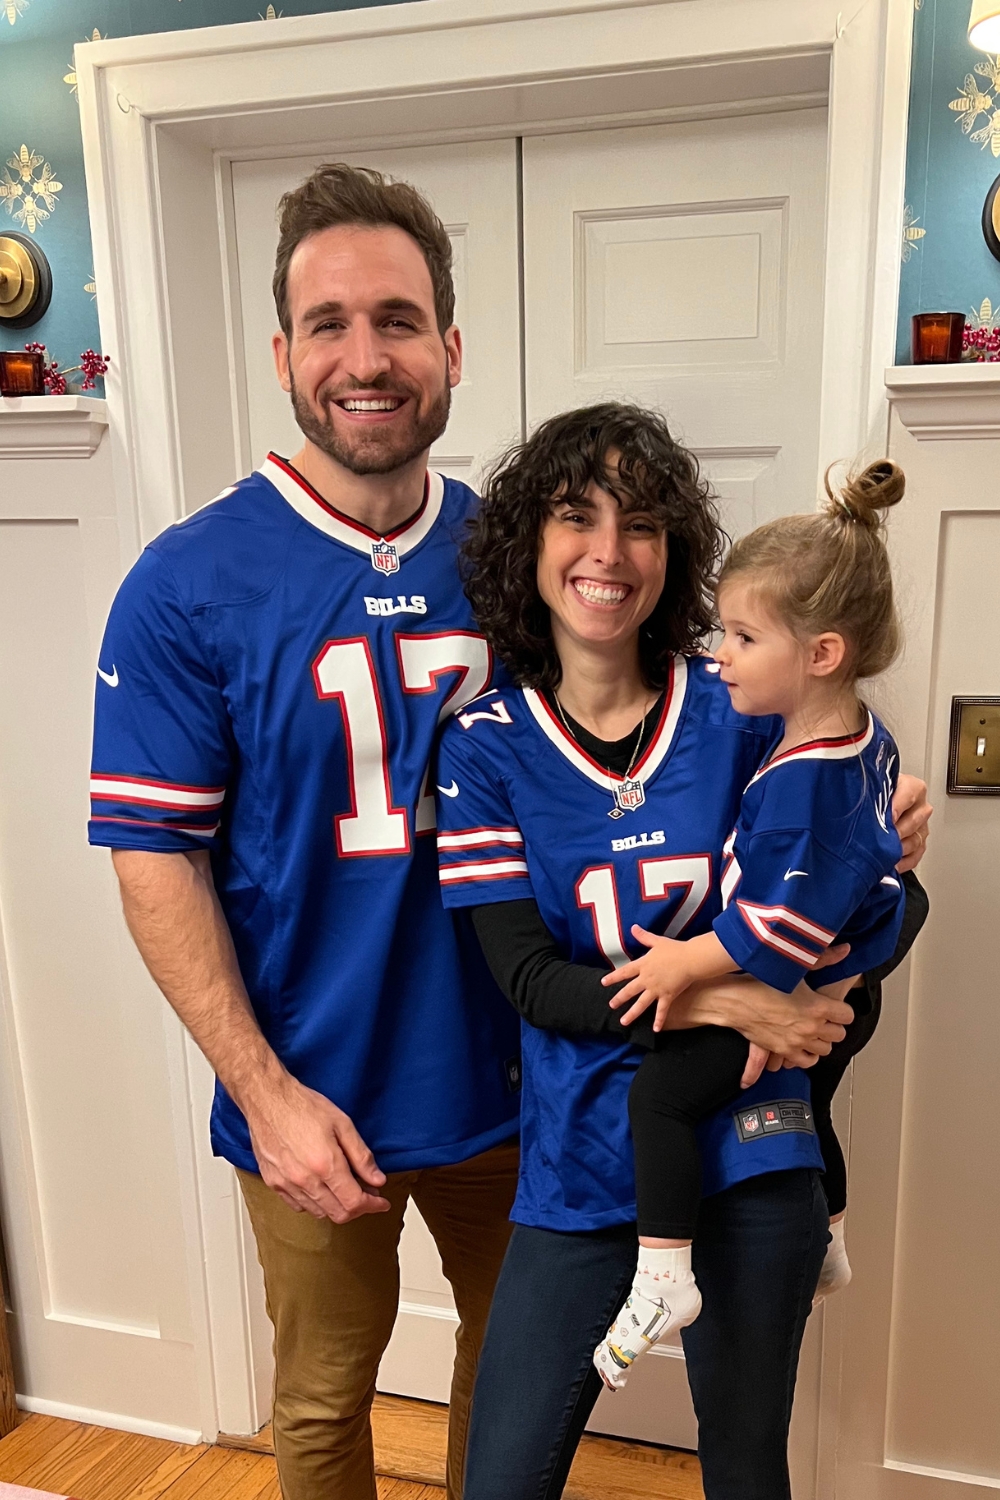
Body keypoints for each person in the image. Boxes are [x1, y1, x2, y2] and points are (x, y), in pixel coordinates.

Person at [88, 163, 523, 1500]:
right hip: (312, 1091)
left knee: (522, 1383)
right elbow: (150, 855)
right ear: (283, 353)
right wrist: (265, 1098)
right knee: (325, 1407)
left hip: (521, 1068)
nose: (365, 356)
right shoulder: (187, 581)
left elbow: (660, 741)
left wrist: (836, 784)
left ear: (450, 347)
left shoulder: (529, 553)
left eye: (397, 319)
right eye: (328, 324)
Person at [433, 404, 930, 1500]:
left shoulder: (746, 701)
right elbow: (531, 981)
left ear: (676, 556)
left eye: (641, 523)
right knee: (502, 1479)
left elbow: (880, 895)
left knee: (745, 1465)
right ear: (531, 542)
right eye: (576, 517)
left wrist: (854, 925)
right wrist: (735, 1004)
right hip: (583, 1159)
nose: (608, 552)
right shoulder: (483, 751)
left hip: (752, 1145)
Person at [590, 459, 911, 1389]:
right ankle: (832, 1247)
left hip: (809, 985)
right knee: (816, 1109)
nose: (718, 653)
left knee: (661, 1097)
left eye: (741, 636)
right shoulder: (853, 734)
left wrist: (683, 964)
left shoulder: (800, 790)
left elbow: (770, 932)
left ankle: (663, 1275)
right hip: (856, 978)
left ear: (821, 654)